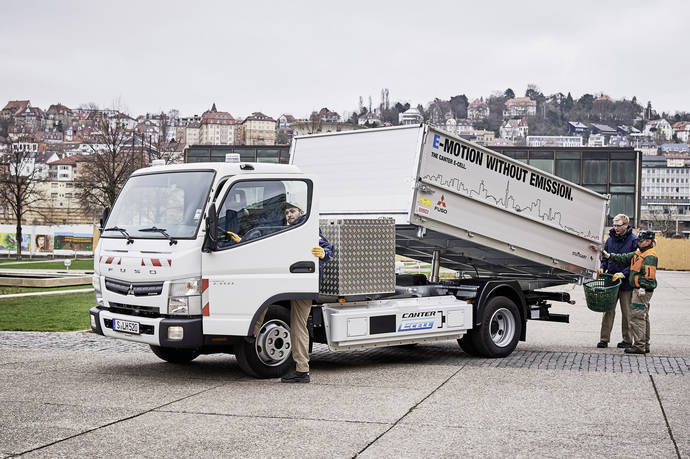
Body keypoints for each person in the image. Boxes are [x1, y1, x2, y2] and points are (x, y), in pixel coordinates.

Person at [280, 203, 334, 383]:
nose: (289, 215)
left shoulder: (307, 228)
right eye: (287, 212)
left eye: (292, 211)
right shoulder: (287, 230)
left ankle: (302, 370)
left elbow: (329, 249)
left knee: (299, 325)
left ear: (301, 212)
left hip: (303, 285)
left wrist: (323, 253)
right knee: (298, 325)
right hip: (292, 283)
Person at [602, 230, 658, 355]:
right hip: (639, 289)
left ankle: (639, 346)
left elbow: (649, 276)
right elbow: (625, 258)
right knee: (643, 317)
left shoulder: (649, 256)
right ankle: (645, 344)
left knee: (637, 317)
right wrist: (608, 256)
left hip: (641, 291)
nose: (638, 242)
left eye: (641, 240)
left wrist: (642, 288)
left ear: (648, 241)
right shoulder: (640, 252)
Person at [597, 214, 637, 349]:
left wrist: (624, 274)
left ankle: (627, 340)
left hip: (626, 283)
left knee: (627, 313)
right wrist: (602, 268)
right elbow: (605, 258)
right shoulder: (610, 239)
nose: (616, 228)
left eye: (618, 225)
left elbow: (634, 262)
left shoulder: (633, 240)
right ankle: (604, 339)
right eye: (614, 225)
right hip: (611, 281)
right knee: (608, 310)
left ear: (626, 225)